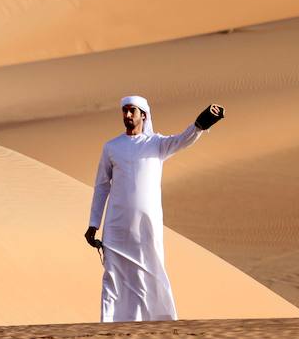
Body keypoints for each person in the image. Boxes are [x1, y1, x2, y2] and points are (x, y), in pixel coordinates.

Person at [82, 95, 225, 322]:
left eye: (132, 111)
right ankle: (111, 322)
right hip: (117, 224)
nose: (127, 115)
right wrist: (93, 223)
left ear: (143, 115)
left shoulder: (157, 144)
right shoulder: (111, 147)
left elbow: (183, 140)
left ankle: (160, 318)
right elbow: (101, 186)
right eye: (125, 111)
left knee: (151, 268)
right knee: (114, 273)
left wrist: (202, 122)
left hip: (147, 224)